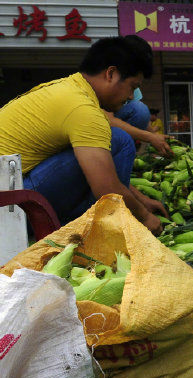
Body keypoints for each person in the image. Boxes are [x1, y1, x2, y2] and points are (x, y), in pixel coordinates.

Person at [0, 35, 167, 235]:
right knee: (120, 140)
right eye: (132, 86)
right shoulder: (83, 109)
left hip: (11, 195)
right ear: (111, 74)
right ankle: (95, 232)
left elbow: (102, 171)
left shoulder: (68, 88)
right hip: (11, 208)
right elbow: (106, 188)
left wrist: (141, 200)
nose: (131, 96)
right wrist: (145, 217)